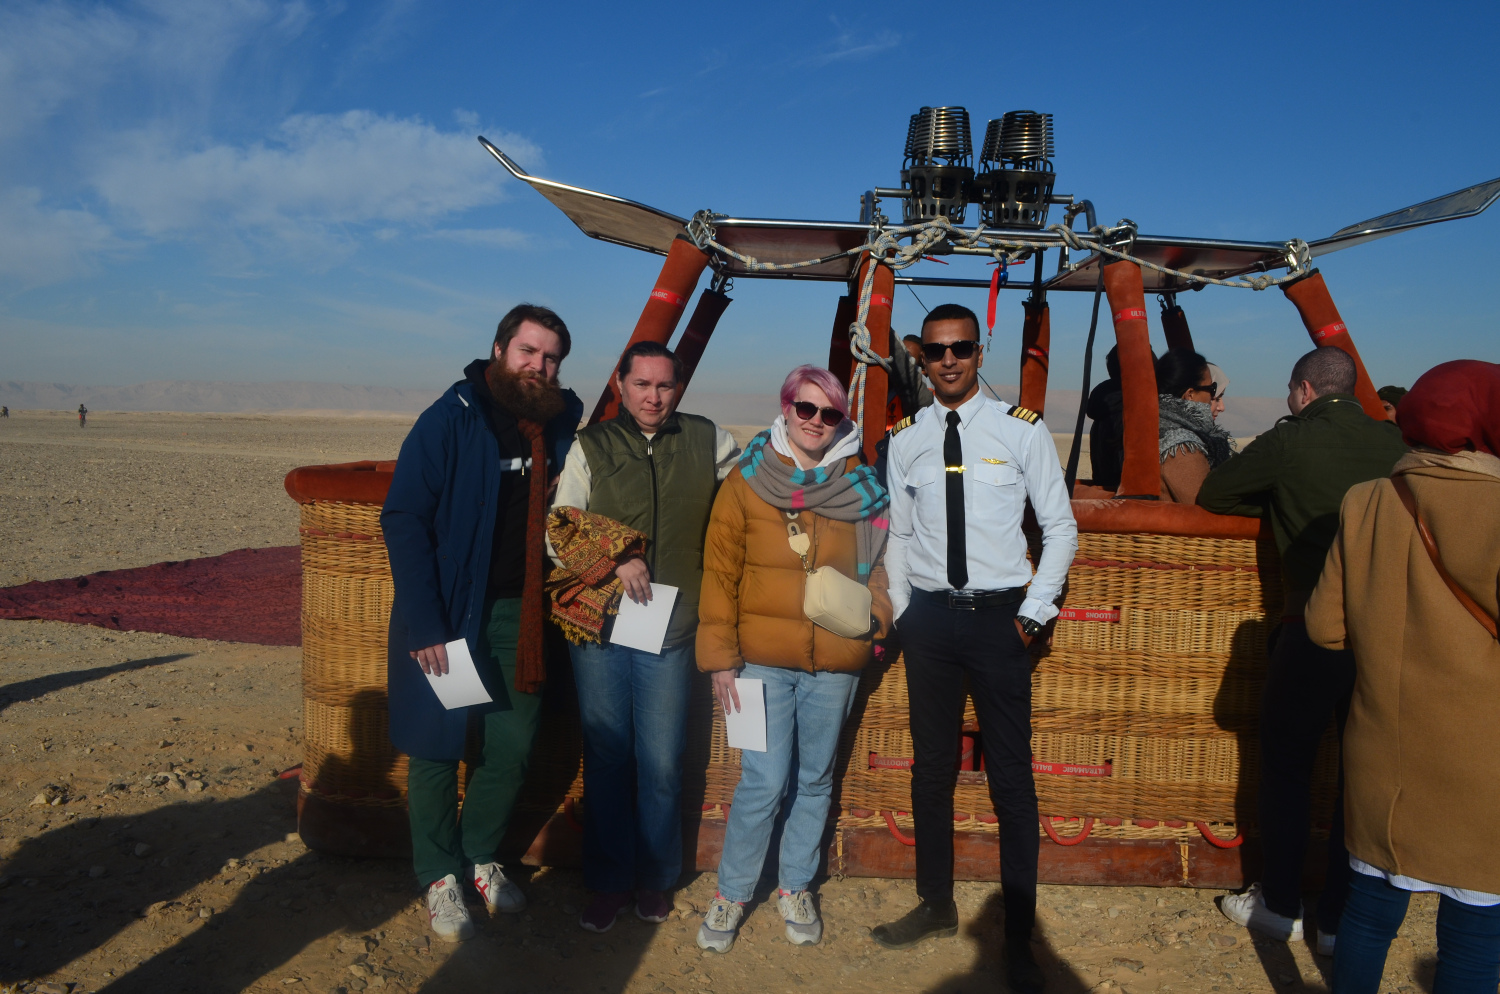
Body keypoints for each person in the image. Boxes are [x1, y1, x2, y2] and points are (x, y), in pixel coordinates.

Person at [876, 303, 1078, 994]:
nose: (950, 360)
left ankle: (1019, 934)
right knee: (931, 771)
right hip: (930, 623)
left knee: (1011, 780)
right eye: (936, 351)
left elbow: (1059, 526)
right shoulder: (904, 439)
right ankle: (935, 904)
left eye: (961, 347)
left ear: (980, 350)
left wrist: (1033, 612)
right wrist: (905, 614)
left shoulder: (1019, 431)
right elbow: (899, 537)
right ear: (921, 358)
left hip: (1001, 624)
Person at [381, 304, 584, 943]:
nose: (538, 366)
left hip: (519, 614)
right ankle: (438, 874)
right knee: (439, 744)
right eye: (528, 351)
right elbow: (404, 518)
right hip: (448, 612)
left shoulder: (558, 424)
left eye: (550, 358)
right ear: (498, 350)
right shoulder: (451, 420)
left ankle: (477, 856)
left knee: (513, 747)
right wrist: (425, 624)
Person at [1198, 346, 1407, 955]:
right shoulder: (1395, 444)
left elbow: (1216, 495)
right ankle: (1339, 918)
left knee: (1286, 763)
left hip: (1312, 624)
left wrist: (1276, 501)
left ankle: (1280, 905)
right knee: (1358, 773)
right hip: (1385, 636)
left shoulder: (1290, 441)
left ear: (1305, 391)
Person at [1306, 360, 1500, 994]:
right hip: (1483, 767)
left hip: (1381, 754)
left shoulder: (1367, 501)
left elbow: (1323, 627)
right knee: (1473, 940)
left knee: (1366, 917)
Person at [694, 365, 893, 953]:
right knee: (762, 781)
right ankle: (732, 893)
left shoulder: (862, 485)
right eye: (805, 409)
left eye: (829, 413)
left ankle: (795, 885)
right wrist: (720, 661)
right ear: (785, 410)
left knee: (814, 779)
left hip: (835, 663)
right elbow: (719, 572)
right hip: (758, 662)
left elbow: (883, 562)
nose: (815, 422)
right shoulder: (746, 483)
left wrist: (877, 616)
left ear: (841, 421)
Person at [552, 340, 740, 933]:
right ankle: (608, 880)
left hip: (673, 629)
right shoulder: (593, 445)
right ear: (621, 384)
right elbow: (558, 528)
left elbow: (744, 512)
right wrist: (611, 556)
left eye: (664, 386)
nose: (653, 397)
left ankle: (656, 879)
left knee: (660, 762)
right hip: (600, 631)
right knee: (608, 758)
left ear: (677, 387)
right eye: (641, 385)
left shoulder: (712, 441)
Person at [1155, 348, 1235, 504]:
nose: (1213, 397)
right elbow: (1206, 509)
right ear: (1190, 394)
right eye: (1211, 389)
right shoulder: (1181, 447)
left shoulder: (1159, 426)